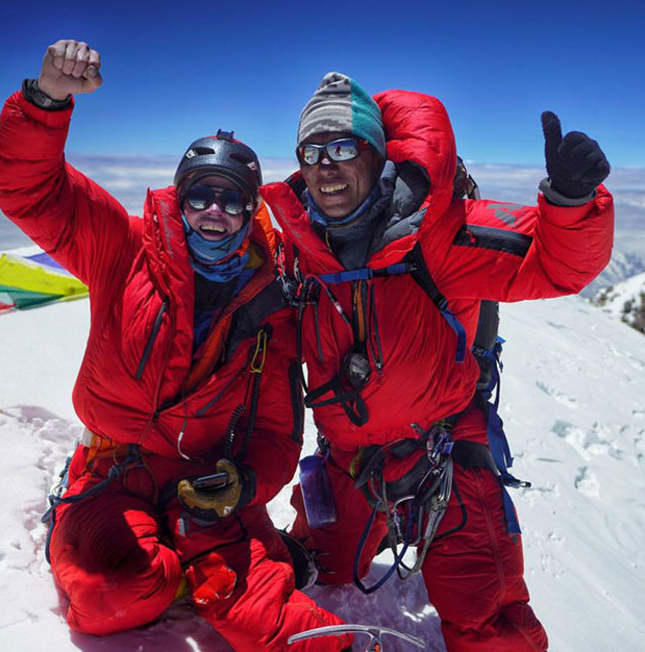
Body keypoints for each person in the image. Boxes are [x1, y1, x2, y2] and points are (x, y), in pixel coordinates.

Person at [0, 40, 349, 651]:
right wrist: (46, 101)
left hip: (208, 484)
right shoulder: (123, 249)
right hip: (115, 470)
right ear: (179, 201)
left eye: (232, 198)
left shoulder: (271, 305)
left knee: (259, 607)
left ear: (250, 209)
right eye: (201, 194)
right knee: (112, 596)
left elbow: (276, 434)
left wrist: (244, 484)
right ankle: (112, 537)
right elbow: (33, 194)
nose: (215, 210)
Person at [260, 72, 614, 651]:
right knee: (315, 567)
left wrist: (571, 203)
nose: (327, 165)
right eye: (312, 151)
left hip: (444, 458)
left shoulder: (441, 230)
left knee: (489, 625)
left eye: (344, 147)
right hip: (350, 462)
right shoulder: (297, 245)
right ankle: (369, 532)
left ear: (377, 155)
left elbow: (556, 266)